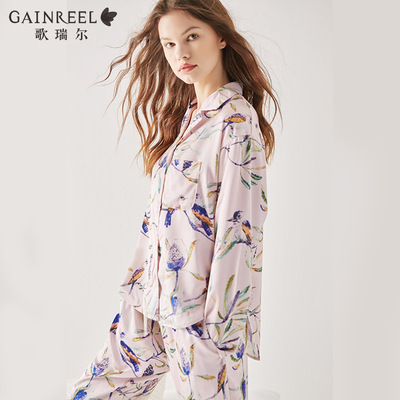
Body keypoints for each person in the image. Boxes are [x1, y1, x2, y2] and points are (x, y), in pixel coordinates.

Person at [67, 0, 281, 399]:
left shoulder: (235, 122)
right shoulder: (189, 119)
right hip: (149, 301)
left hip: (203, 319)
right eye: (169, 44)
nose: (180, 53)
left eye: (191, 37)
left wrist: (219, 328)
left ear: (220, 36)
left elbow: (240, 229)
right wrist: (136, 289)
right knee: (93, 389)